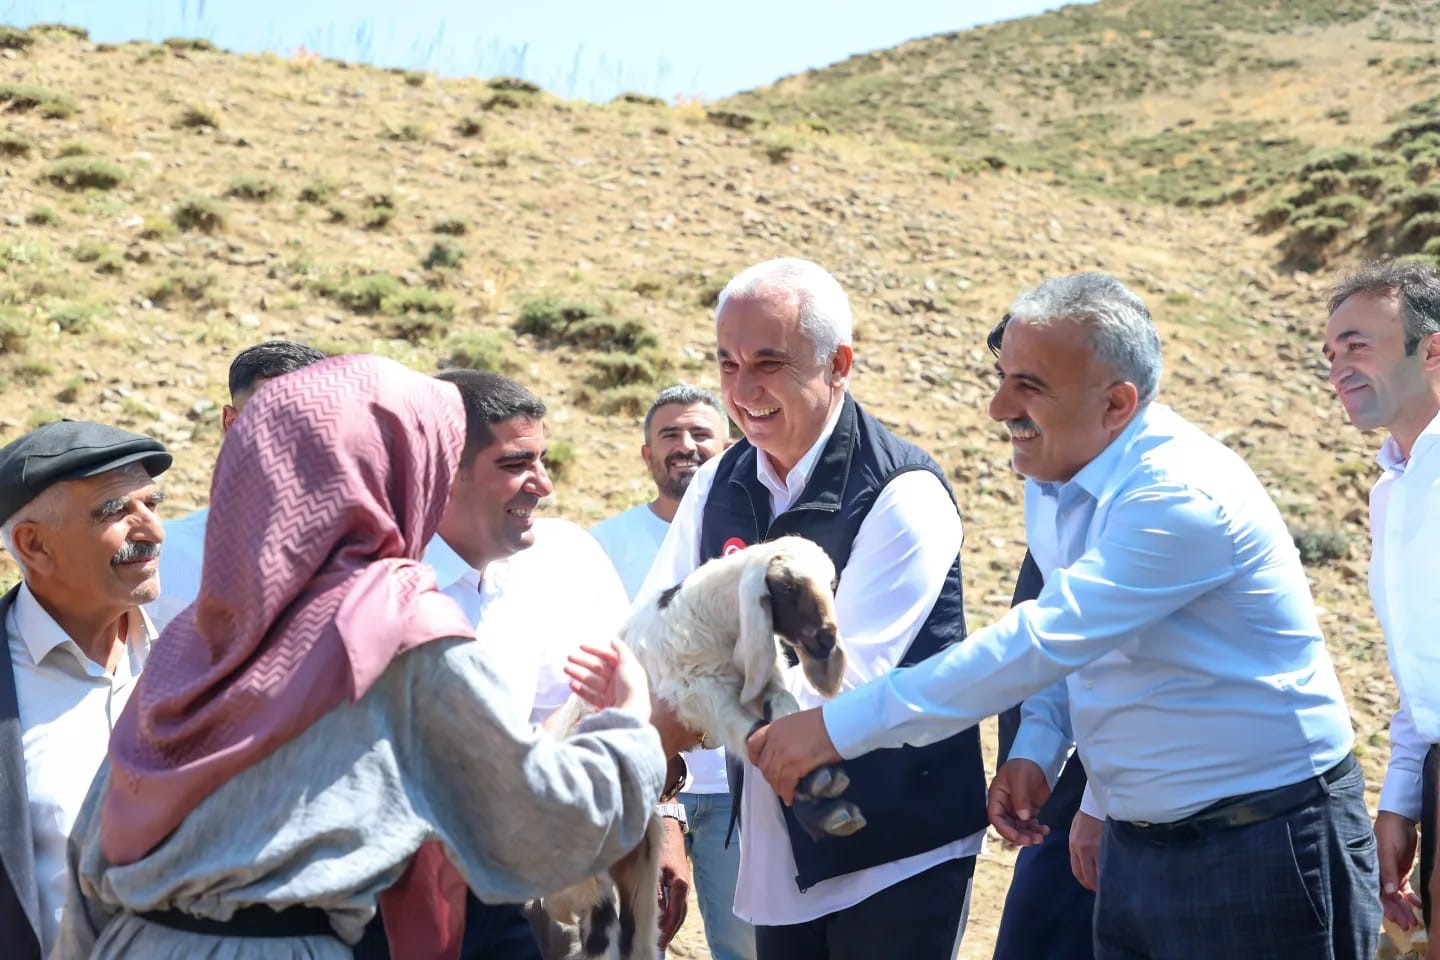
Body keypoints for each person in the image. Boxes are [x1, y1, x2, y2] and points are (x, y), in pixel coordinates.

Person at [749, 272, 1380, 960]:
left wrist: (838, 726)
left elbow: (1043, 639)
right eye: (1002, 377)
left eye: (1030, 386)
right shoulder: (1057, 476)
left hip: (1264, 846)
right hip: (1139, 844)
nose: (998, 408)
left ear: (1116, 403)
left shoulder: (1179, 498)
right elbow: (1074, 638)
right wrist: (1048, 757)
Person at [55, 354, 673, 959]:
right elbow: (534, 825)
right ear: (406, 473)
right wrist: (630, 726)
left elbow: (95, 846)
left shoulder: (203, 630)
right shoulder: (398, 629)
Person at [638, 257, 989, 960]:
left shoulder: (903, 494)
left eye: (770, 361)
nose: (744, 389)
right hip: (776, 845)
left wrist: (679, 723)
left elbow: (843, 687)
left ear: (839, 364)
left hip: (896, 846)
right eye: (728, 363)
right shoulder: (716, 485)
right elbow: (659, 634)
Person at [353, 369, 691, 960]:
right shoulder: (376, 594)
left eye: (543, 460)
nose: (544, 485)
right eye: (515, 465)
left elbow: (554, 726)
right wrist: (635, 718)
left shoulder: (536, 568)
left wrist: (659, 815)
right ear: (439, 474)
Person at [590, 385, 753, 960]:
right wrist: (660, 805)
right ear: (646, 454)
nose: (686, 446)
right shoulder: (603, 545)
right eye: (670, 435)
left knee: (750, 946)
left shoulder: (756, 537)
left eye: (701, 434)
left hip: (744, 787)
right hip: (647, 785)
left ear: (731, 447)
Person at [0, 420, 170, 959]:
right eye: (117, 511)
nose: (153, 530)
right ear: (34, 545)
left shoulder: (199, 658)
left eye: (153, 504)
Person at [1322, 260, 1440, 951]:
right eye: (1331, 354)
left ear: (1432, 349)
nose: (1338, 368)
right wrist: (1401, 796)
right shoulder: (1390, 489)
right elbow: (1422, 661)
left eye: (1357, 345)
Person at [148, 339, 325, 629]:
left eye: (310, 420)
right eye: (272, 418)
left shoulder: (376, 560)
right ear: (231, 423)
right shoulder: (161, 558)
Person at [990, 553, 1094, 960]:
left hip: (1162, 814)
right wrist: (1032, 752)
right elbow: (1050, 637)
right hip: (1065, 812)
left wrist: (1103, 806)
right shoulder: (1048, 498)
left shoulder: (1162, 505)